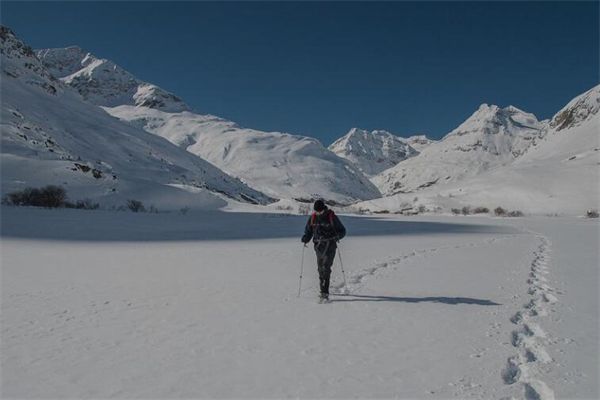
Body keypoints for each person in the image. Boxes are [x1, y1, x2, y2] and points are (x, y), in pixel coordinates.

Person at [301, 199, 346, 302]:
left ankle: (324, 292)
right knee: (320, 269)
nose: (318, 213)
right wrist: (306, 238)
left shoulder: (331, 217)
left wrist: (335, 237)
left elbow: (343, 231)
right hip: (318, 247)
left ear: (323, 209)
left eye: (320, 211)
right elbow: (309, 230)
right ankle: (323, 288)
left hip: (330, 246)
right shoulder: (313, 218)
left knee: (326, 268)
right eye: (316, 211)